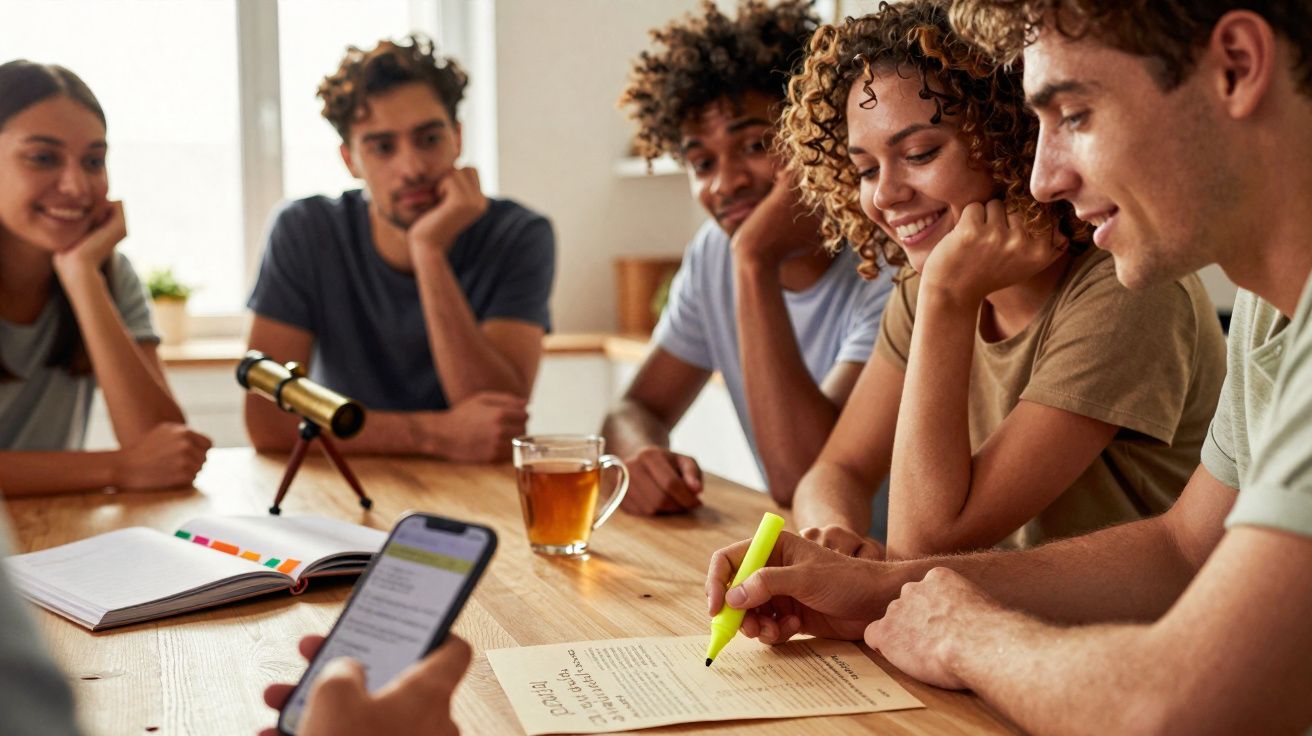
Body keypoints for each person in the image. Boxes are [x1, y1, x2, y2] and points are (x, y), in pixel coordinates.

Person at [706, 0, 1312, 732]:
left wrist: (963, 630)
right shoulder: (1265, 305)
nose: (1043, 177)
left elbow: (1179, 707)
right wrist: (876, 587)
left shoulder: (1126, 295)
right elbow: (1185, 549)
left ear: (1238, 67)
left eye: (1075, 114)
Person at [779, 0, 1226, 559]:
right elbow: (834, 470)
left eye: (918, 153)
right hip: (989, 626)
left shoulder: (1125, 290)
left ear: (1008, 138)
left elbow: (926, 544)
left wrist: (947, 296)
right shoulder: (932, 290)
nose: (886, 195)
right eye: (867, 169)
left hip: (1115, 639)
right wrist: (833, 535)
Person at [603, 0, 895, 515]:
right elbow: (635, 407)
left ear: (818, 129)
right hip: (813, 562)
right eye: (702, 162)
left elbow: (802, 477)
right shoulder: (715, 253)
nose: (726, 182)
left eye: (756, 144)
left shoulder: (890, 257)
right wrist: (640, 454)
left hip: (904, 569)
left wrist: (754, 258)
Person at [245, 36, 555, 463]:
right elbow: (269, 423)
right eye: (383, 147)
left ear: (457, 138)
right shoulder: (304, 230)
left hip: (475, 489)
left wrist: (428, 250)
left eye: (429, 139)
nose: (412, 168)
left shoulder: (519, 234)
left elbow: (495, 422)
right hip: (345, 483)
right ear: (350, 160)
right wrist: (435, 434)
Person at [0, 60, 211, 496]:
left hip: (41, 540)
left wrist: (81, 277)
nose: (78, 187)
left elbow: (164, 448)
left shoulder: (106, 273)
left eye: (94, 161)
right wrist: (116, 469)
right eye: (43, 158)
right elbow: (141, 461)